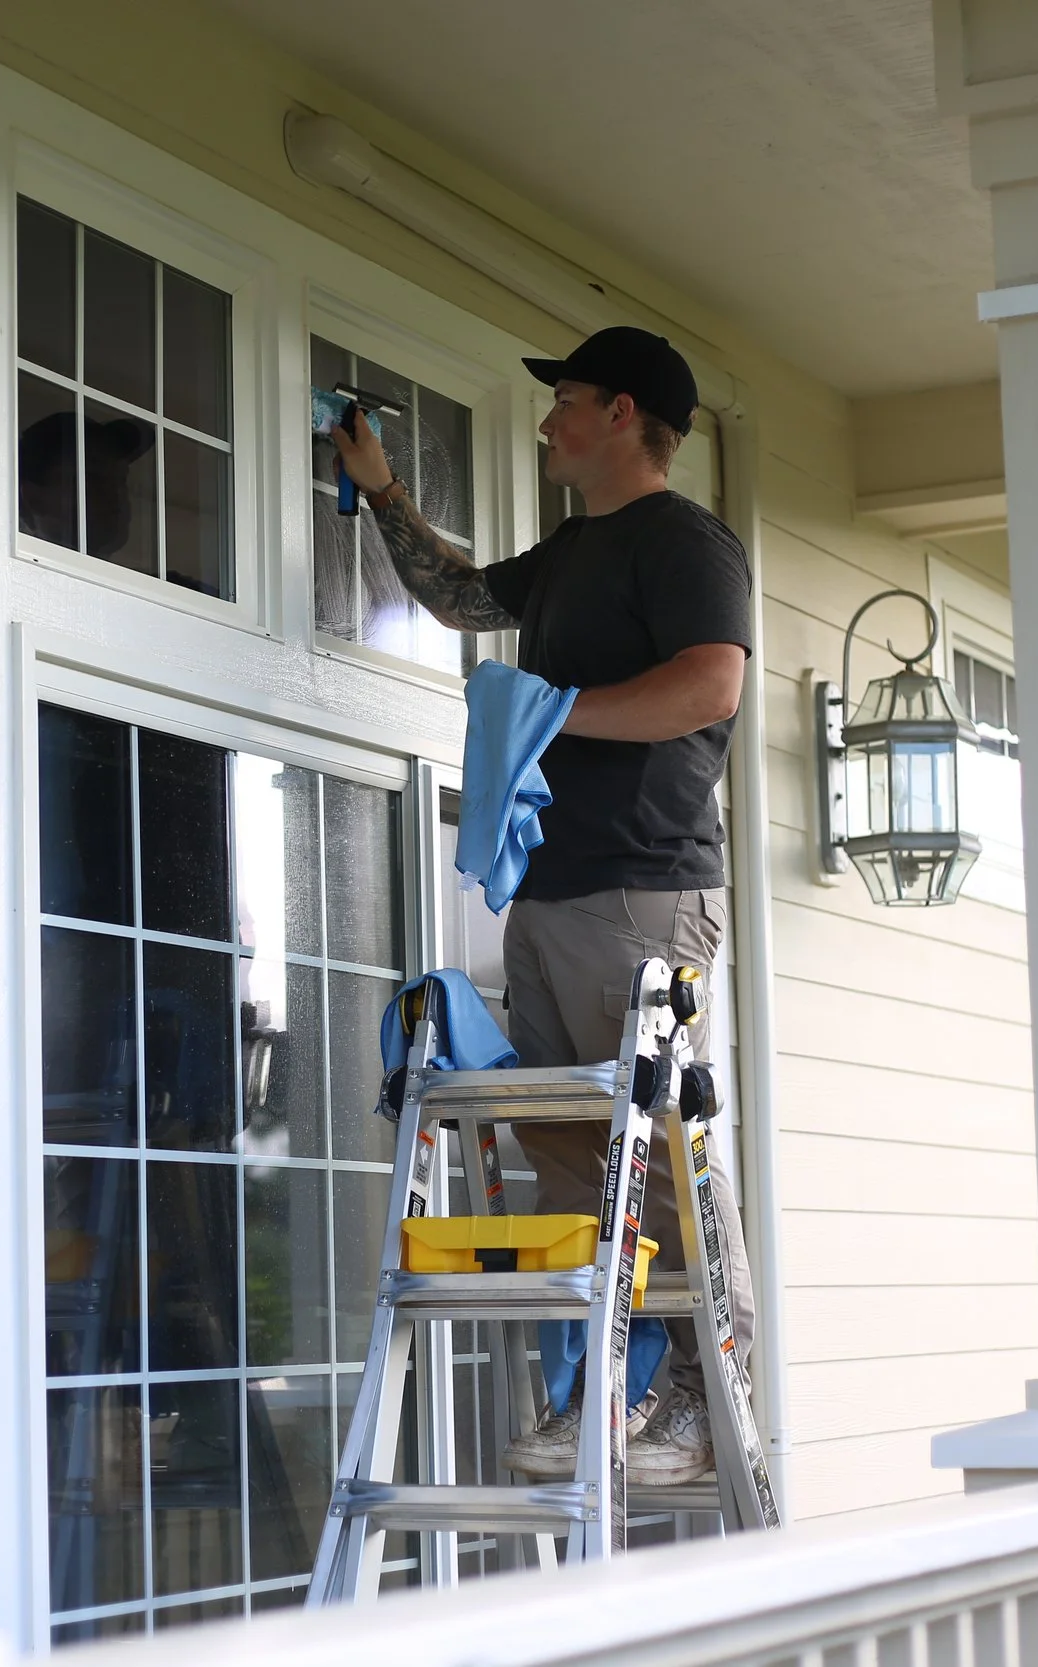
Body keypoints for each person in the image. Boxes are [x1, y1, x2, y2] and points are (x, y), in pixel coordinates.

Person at [328, 325, 755, 1489]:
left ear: (622, 412)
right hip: (554, 891)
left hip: (643, 889)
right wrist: (380, 492)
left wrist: (555, 713)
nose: (546, 418)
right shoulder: (572, 552)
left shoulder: (684, 543)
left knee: (653, 1154)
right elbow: (463, 595)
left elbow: (712, 682)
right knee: (572, 1159)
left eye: (564, 399)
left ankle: (708, 1404)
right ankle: (608, 1399)